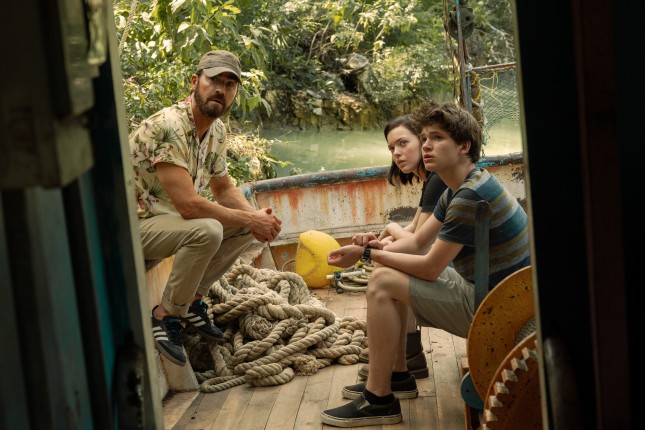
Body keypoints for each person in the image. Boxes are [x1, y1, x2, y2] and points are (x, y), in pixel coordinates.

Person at [320, 100, 530, 427]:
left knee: (382, 281)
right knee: (388, 270)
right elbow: (417, 243)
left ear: (464, 146)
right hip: (496, 293)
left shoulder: (469, 196)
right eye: (425, 138)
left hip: (499, 309)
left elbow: (430, 267)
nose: (427, 145)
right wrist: (374, 247)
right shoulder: (460, 186)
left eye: (437, 138)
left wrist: (366, 256)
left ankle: (378, 399)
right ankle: (397, 377)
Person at [129, 50, 282, 366]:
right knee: (208, 229)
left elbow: (223, 189)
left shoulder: (217, 130)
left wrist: (255, 219)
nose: (220, 90)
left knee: (245, 223)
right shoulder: (169, 126)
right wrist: (251, 218)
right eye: (213, 81)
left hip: (166, 224)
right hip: (130, 227)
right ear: (195, 82)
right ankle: (165, 315)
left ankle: (193, 300)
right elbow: (188, 206)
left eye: (229, 85)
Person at [355, 115, 447, 381]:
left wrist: (387, 231)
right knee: (388, 250)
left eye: (403, 143)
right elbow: (414, 230)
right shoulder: (431, 180)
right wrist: (386, 239)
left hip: (447, 264)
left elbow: (419, 243)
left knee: (388, 263)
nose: (396, 153)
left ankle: (406, 354)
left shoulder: (438, 179)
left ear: (423, 141)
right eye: (391, 148)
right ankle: (407, 353)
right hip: (442, 257)